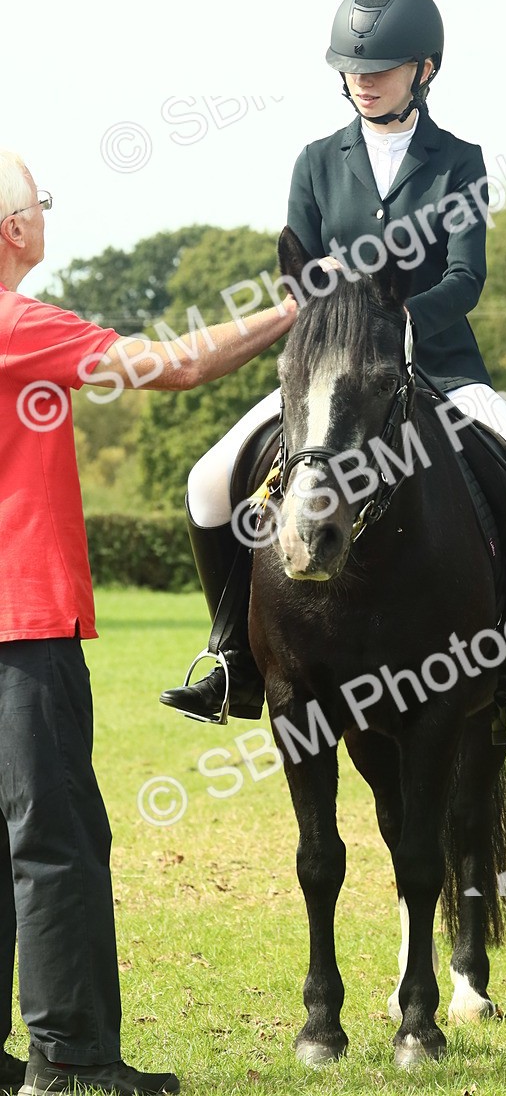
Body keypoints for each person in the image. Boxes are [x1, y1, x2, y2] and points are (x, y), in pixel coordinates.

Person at [160, 0, 506, 748]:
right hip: (327, 379)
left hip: (444, 367)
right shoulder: (317, 162)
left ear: (426, 70)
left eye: (382, 65)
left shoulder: (460, 161)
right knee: (205, 482)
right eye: (353, 65)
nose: (363, 77)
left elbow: (466, 277)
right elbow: (301, 271)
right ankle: (230, 658)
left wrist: (403, 325)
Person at [0, 149, 296, 1096]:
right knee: (57, 843)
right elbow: (173, 367)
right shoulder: (18, 324)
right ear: (15, 229)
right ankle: (74, 1060)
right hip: (21, 622)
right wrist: (296, 309)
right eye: (41, 204)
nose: (47, 215)